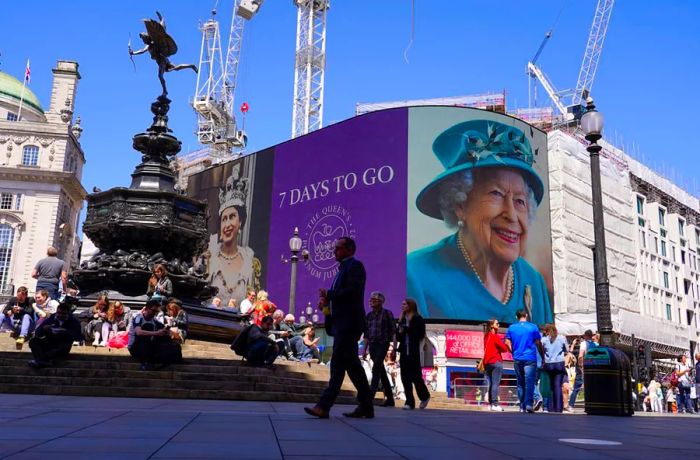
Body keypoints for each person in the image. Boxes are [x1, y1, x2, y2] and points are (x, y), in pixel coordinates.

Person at [407, 120, 552, 324]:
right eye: (496, 193)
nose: (511, 215)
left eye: (520, 201)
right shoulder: (416, 275)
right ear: (460, 205)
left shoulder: (533, 281)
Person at [304, 237, 374, 419]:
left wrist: (330, 294)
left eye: (338, 248)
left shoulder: (355, 267)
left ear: (349, 250)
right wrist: (326, 305)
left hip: (349, 324)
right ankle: (366, 405)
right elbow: (341, 298)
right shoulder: (341, 270)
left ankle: (324, 406)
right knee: (353, 367)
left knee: (337, 365)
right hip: (342, 323)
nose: (334, 251)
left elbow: (352, 292)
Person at [207, 165, 260, 306]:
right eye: (224, 219)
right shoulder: (209, 257)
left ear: (240, 222)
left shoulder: (250, 261)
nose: (227, 224)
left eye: (232, 217)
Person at [505, 309, 544, 413]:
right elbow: (538, 343)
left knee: (520, 383)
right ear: (526, 315)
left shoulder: (512, 328)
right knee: (530, 382)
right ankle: (528, 404)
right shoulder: (533, 327)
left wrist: (512, 351)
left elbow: (507, 342)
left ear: (516, 317)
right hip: (530, 358)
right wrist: (543, 356)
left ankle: (522, 406)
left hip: (518, 357)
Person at [362, 291, 397, 407]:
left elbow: (393, 332)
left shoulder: (387, 314)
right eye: (371, 299)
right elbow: (366, 334)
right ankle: (390, 399)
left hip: (383, 344)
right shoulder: (369, 316)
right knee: (381, 371)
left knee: (377, 367)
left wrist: (394, 348)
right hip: (372, 345)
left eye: (374, 300)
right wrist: (364, 349)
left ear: (381, 302)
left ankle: (370, 396)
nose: (371, 301)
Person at [128, 299, 182, 370]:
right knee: (148, 327)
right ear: (146, 309)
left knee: (169, 342)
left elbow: (164, 327)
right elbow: (138, 332)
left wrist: (169, 332)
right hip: (135, 347)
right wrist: (156, 333)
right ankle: (145, 362)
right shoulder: (138, 317)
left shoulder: (153, 319)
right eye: (153, 311)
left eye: (156, 311)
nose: (154, 313)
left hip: (148, 346)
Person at [396, 298, 431, 411]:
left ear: (411, 306)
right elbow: (398, 336)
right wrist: (399, 332)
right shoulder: (402, 319)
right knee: (405, 377)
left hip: (414, 352)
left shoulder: (417, 319)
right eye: (402, 304)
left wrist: (406, 329)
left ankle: (424, 396)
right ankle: (409, 402)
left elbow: (419, 334)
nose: (402, 306)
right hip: (404, 351)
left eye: (405, 304)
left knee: (416, 377)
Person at [28, 302, 83, 368]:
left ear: (68, 313)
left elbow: (78, 337)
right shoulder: (51, 318)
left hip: (62, 345)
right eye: (59, 313)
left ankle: (41, 360)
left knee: (65, 346)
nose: (60, 315)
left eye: (63, 314)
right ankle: (43, 360)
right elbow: (38, 332)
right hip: (49, 342)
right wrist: (44, 329)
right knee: (33, 341)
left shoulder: (74, 322)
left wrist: (66, 332)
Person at [482, 318, 509, 412]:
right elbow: (504, 349)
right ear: (492, 325)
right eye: (497, 323)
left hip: (487, 363)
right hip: (496, 361)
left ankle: (491, 403)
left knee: (491, 383)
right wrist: (505, 344)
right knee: (495, 384)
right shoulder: (495, 336)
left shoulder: (486, 336)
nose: (499, 325)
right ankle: (495, 403)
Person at [541, 324, 568, 413]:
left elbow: (542, 350)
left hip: (549, 364)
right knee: (557, 385)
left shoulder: (544, 339)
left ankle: (550, 407)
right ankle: (558, 408)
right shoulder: (561, 338)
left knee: (551, 386)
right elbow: (566, 350)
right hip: (559, 363)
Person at [567, 329, 594, 412]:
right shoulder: (595, 344)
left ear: (585, 336)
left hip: (583, 366)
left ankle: (571, 405)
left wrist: (580, 365)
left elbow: (580, 356)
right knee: (590, 387)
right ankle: (590, 405)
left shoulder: (583, 343)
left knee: (577, 387)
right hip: (592, 366)